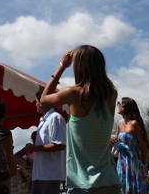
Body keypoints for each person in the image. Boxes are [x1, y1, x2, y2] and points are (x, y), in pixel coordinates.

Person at [40, 45, 121, 194]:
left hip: (83, 184)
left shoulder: (73, 93)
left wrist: (61, 66)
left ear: (79, 67)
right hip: (110, 181)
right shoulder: (111, 94)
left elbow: (44, 99)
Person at [24, 90, 66, 194]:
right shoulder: (43, 121)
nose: (35, 104)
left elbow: (60, 145)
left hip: (50, 174)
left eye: (36, 101)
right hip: (40, 174)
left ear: (42, 101)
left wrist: (35, 148)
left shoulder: (56, 118)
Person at [111, 97, 149, 194]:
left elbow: (143, 144)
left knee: (133, 184)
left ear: (125, 107)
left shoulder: (134, 123)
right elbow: (116, 138)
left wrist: (144, 164)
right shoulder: (120, 123)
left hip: (133, 159)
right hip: (121, 159)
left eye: (119, 104)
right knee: (122, 184)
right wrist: (111, 137)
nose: (117, 106)